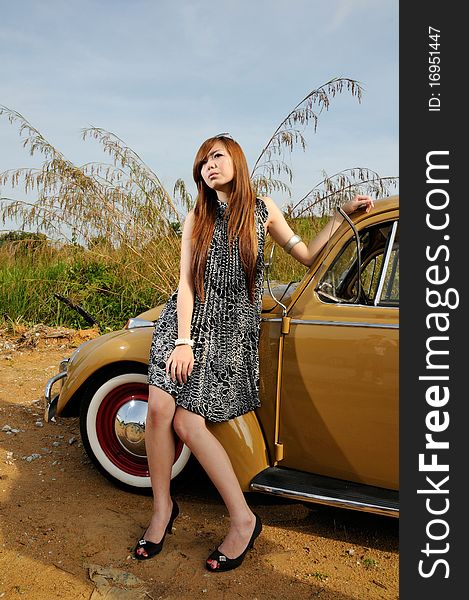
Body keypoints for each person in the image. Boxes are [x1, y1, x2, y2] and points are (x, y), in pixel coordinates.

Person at [134, 133, 374, 571]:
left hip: (231, 330)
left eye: (218, 156)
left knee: (189, 423)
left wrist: (341, 216)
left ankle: (243, 519)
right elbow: (186, 285)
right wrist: (184, 341)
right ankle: (162, 511)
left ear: (237, 161)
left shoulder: (262, 211)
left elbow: (305, 254)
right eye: (203, 160)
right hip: (187, 322)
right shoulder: (196, 217)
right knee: (157, 410)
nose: (209, 165)